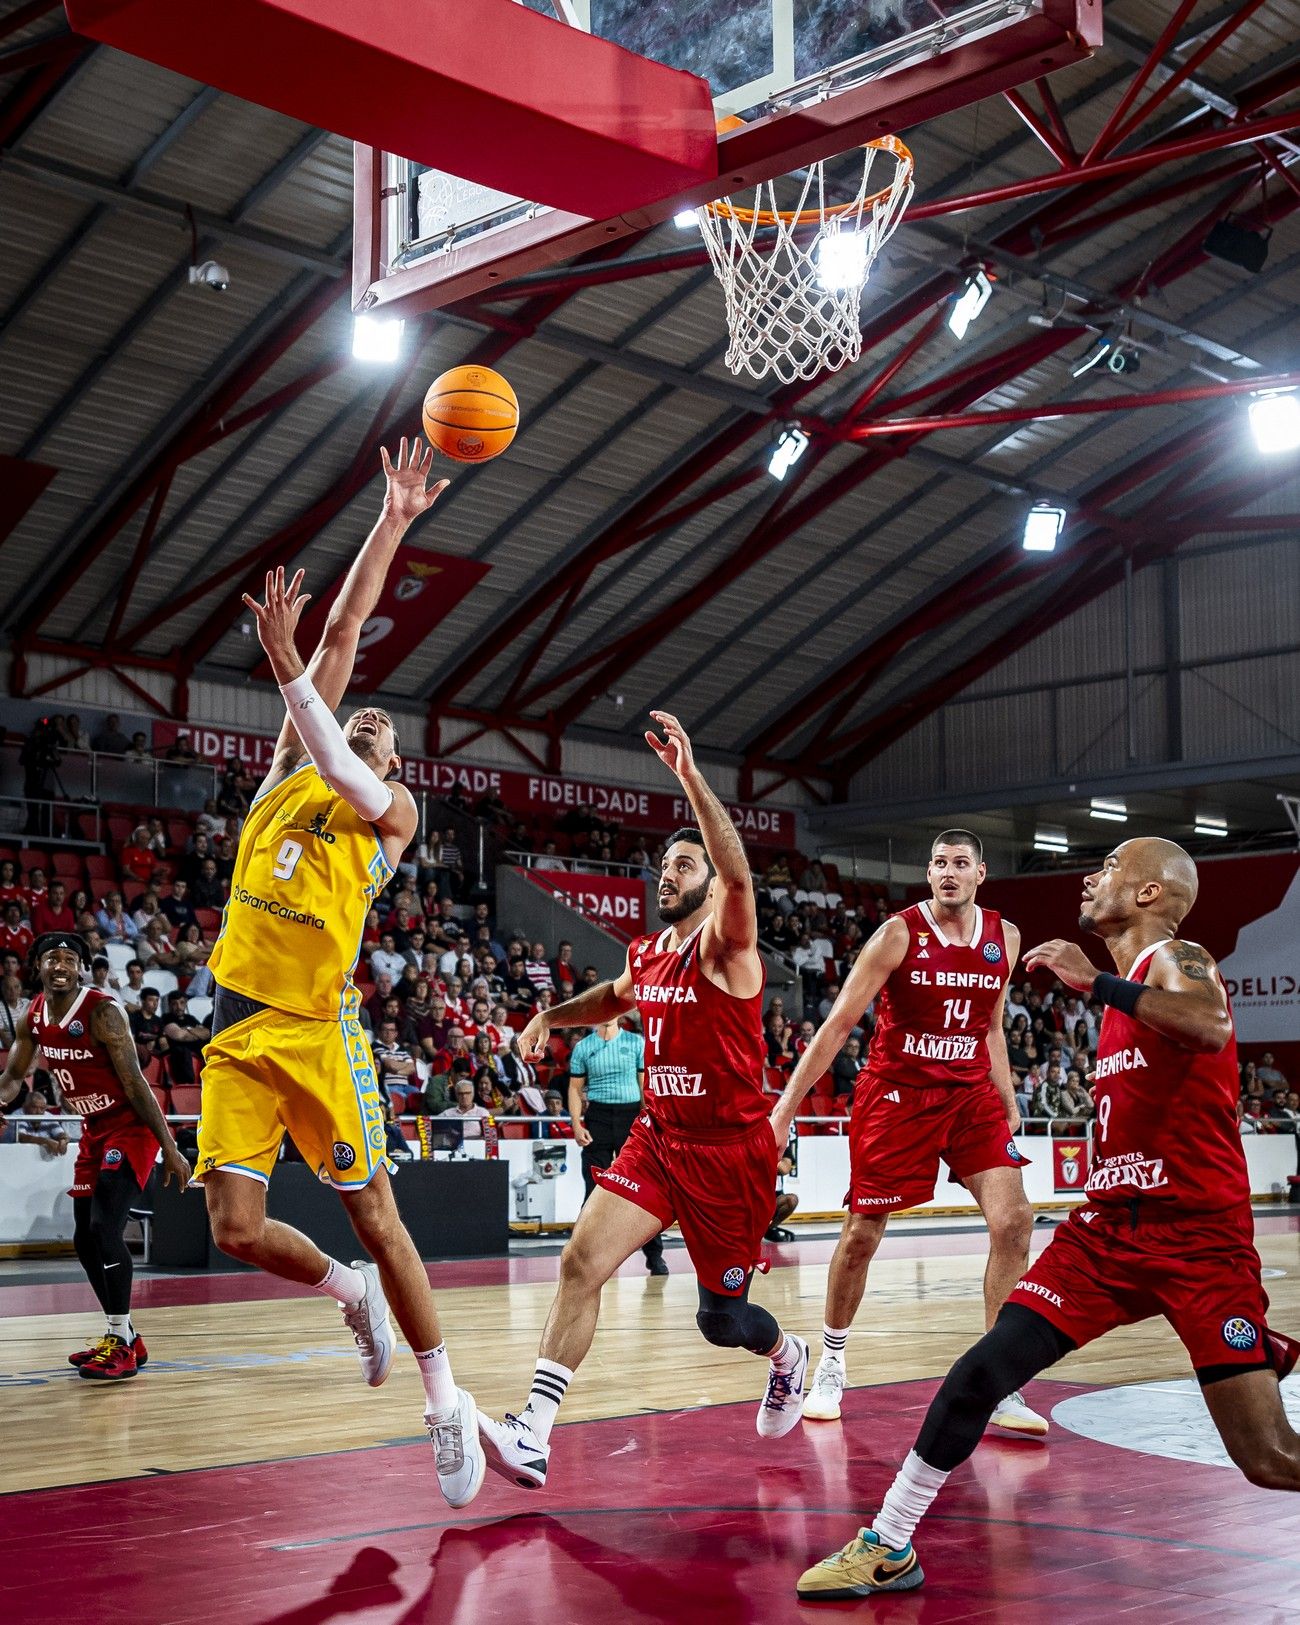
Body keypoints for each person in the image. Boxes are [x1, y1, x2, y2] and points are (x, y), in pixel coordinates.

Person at [795, 837, 1300, 1602]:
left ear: (1147, 895)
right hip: (1106, 1237)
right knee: (977, 1373)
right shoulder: (1117, 989)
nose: (1091, 876)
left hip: (1200, 1241)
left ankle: (1251, 1344)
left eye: (1110, 867)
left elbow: (1209, 1026)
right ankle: (888, 1543)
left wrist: (1091, 980)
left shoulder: (1177, 957)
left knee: (1267, 1459)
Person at [192, 441, 483, 1508]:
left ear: (394, 764)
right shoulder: (282, 770)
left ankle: (445, 1401)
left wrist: (288, 675)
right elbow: (345, 633)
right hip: (237, 1021)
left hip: (319, 1029)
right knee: (232, 1227)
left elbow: (328, 728)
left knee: (382, 1215)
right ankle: (342, 1291)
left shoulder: (390, 812)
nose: (365, 718)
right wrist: (394, 515)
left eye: (382, 731)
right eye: (358, 711)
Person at [477, 713, 806, 1492]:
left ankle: (787, 1356)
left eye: (682, 863)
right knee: (579, 1260)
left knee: (720, 1322)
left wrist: (690, 775)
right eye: (663, 863)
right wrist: (549, 1016)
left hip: (729, 1153)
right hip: (659, 1139)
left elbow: (739, 877)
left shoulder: (727, 945)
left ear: (707, 881)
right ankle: (533, 1430)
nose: (668, 872)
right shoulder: (649, 952)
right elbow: (611, 997)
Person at [773, 830, 1043, 1437]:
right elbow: (840, 1021)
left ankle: (1001, 1381)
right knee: (863, 1233)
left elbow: (993, 1026)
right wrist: (787, 1106)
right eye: (939, 863)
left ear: (981, 873)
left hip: (969, 1094)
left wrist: (1006, 1096)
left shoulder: (1005, 936)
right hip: (897, 1094)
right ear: (929, 873)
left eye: (959, 864)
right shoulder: (897, 933)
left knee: (1014, 1221)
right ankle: (833, 1362)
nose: (948, 873)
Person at [0, 933, 190, 1379]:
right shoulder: (33, 1015)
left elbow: (136, 1084)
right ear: (39, 966)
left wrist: (168, 1144)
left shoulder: (103, 1011)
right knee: (86, 1237)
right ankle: (124, 1336)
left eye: (70, 958)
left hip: (130, 1126)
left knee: (106, 1226)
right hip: (93, 1129)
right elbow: (12, 1076)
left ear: (82, 968)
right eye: (53, 958)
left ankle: (120, 1342)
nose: (61, 965)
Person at [567, 1017, 666, 1276]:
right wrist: (577, 1125)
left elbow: (644, 1086)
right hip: (598, 1116)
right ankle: (583, 1253)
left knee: (645, 1185)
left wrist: (650, 1120)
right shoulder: (583, 1047)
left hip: (630, 1115)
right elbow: (575, 1089)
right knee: (592, 1185)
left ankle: (655, 1257)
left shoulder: (636, 1043)